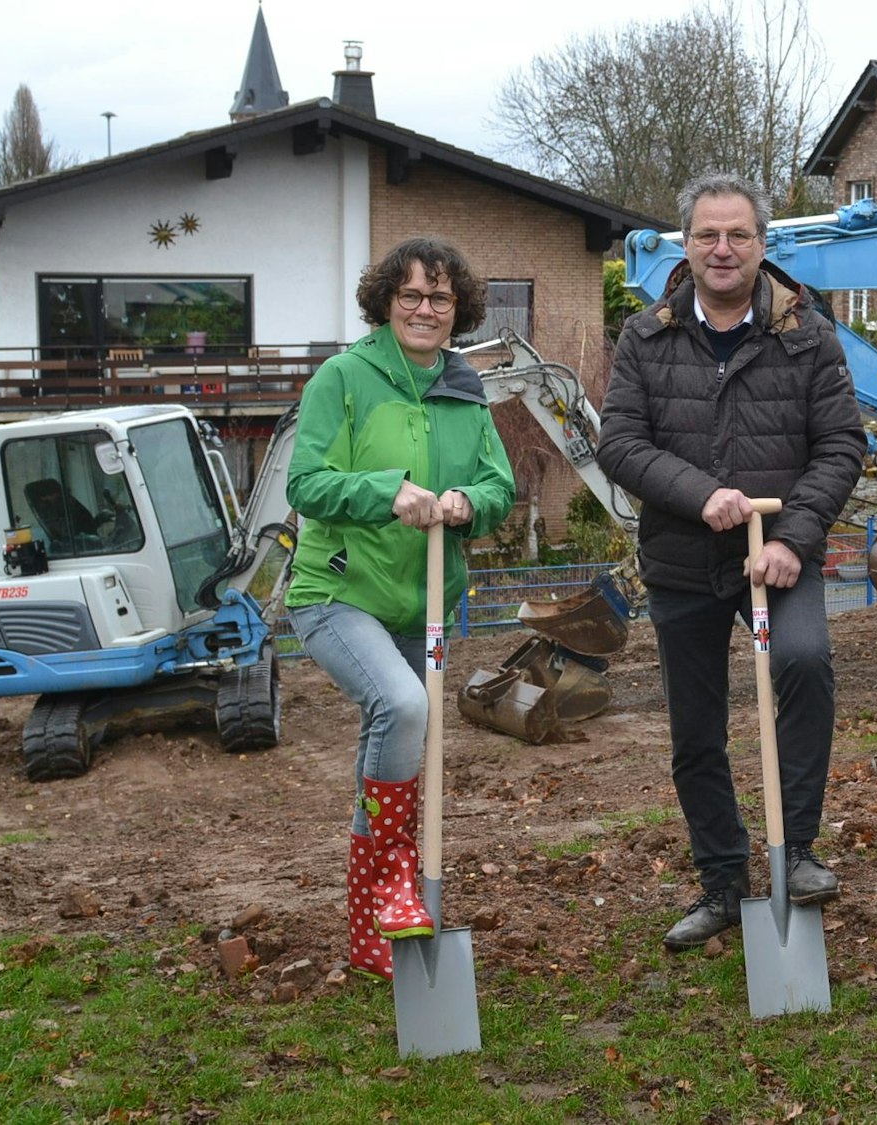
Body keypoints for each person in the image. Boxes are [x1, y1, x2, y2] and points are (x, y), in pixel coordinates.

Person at [596, 172, 864, 953]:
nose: (722, 248)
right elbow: (620, 442)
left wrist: (793, 538)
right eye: (708, 234)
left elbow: (842, 443)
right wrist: (702, 493)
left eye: (738, 234)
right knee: (696, 732)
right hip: (683, 558)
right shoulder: (646, 336)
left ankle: (799, 850)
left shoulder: (807, 334)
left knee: (807, 663)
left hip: (779, 556)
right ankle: (721, 880)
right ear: (686, 244)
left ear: (762, 245)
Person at [285, 236, 515, 981]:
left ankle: (370, 925)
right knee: (404, 707)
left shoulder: (464, 388)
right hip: (339, 591)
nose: (425, 308)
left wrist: (465, 501)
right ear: (386, 301)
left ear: (460, 310)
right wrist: (390, 489)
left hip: (426, 602)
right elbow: (307, 484)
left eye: (440, 297)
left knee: (394, 748)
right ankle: (391, 882)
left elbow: (499, 486)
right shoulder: (344, 378)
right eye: (410, 294)